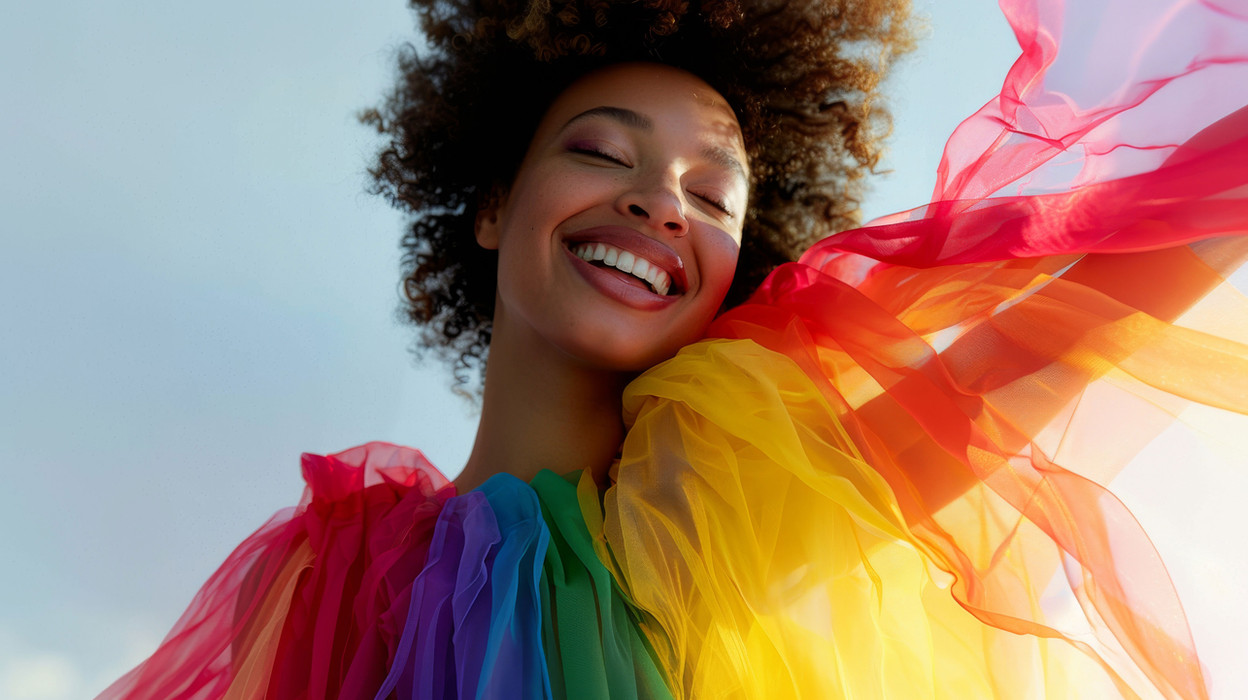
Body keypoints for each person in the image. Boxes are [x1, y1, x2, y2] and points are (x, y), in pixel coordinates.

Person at [98, 0, 1248, 697]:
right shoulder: (331, 566)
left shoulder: (724, 505)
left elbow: (1046, 338)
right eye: (602, 153)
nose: (659, 201)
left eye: (712, 195)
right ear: (492, 204)